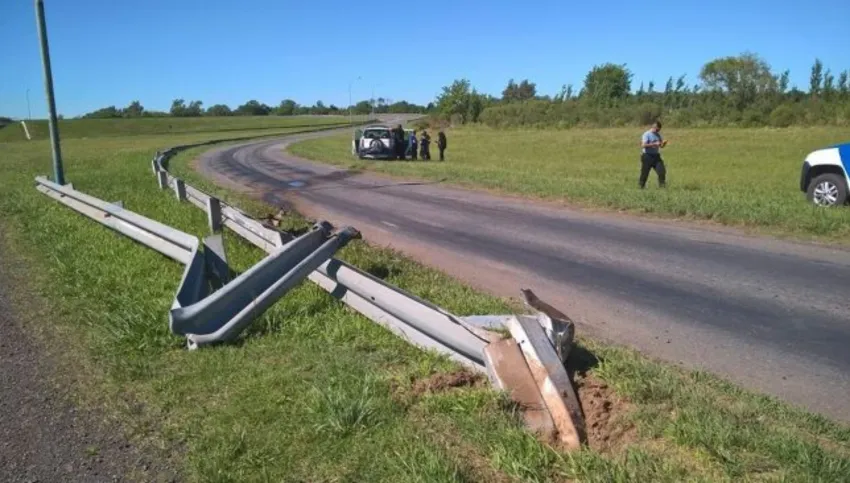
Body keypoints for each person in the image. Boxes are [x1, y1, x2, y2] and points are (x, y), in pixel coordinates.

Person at [639, 120, 668, 188]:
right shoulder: (647, 134)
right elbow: (643, 145)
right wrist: (654, 144)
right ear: (654, 127)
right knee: (645, 173)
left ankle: (662, 187)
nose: (658, 131)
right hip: (647, 156)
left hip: (656, 156)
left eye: (659, 130)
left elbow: (660, 146)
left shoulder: (658, 135)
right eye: (657, 129)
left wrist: (663, 144)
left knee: (662, 171)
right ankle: (641, 187)